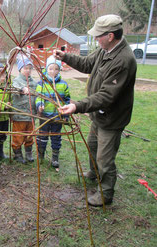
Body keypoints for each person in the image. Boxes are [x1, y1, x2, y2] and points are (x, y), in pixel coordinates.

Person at [55, 14, 137, 206]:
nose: (95, 38)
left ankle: (105, 193)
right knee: (92, 145)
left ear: (110, 36)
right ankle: (94, 173)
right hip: (98, 115)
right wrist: (65, 57)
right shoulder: (105, 50)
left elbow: (107, 96)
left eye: (98, 35)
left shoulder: (123, 60)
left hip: (112, 118)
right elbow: (87, 64)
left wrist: (77, 105)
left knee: (105, 158)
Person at [35, 55, 70, 171]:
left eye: (56, 69)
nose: (53, 71)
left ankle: (55, 157)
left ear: (59, 70)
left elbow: (66, 101)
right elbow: (38, 97)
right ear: (46, 69)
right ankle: (41, 154)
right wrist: (40, 105)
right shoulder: (42, 84)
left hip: (57, 117)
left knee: (56, 137)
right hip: (45, 116)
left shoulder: (63, 85)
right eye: (50, 69)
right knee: (42, 136)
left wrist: (65, 115)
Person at [11, 55, 37, 163]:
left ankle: (28, 153)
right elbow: (14, 89)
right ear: (20, 69)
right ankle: (17, 154)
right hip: (19, 115)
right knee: (18, 135)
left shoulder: (34, 82)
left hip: (31, 114)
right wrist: (22, 89)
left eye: (30, 68)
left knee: (30, 135)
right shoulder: (16, 81)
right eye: (25, 68)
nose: (28, 70)